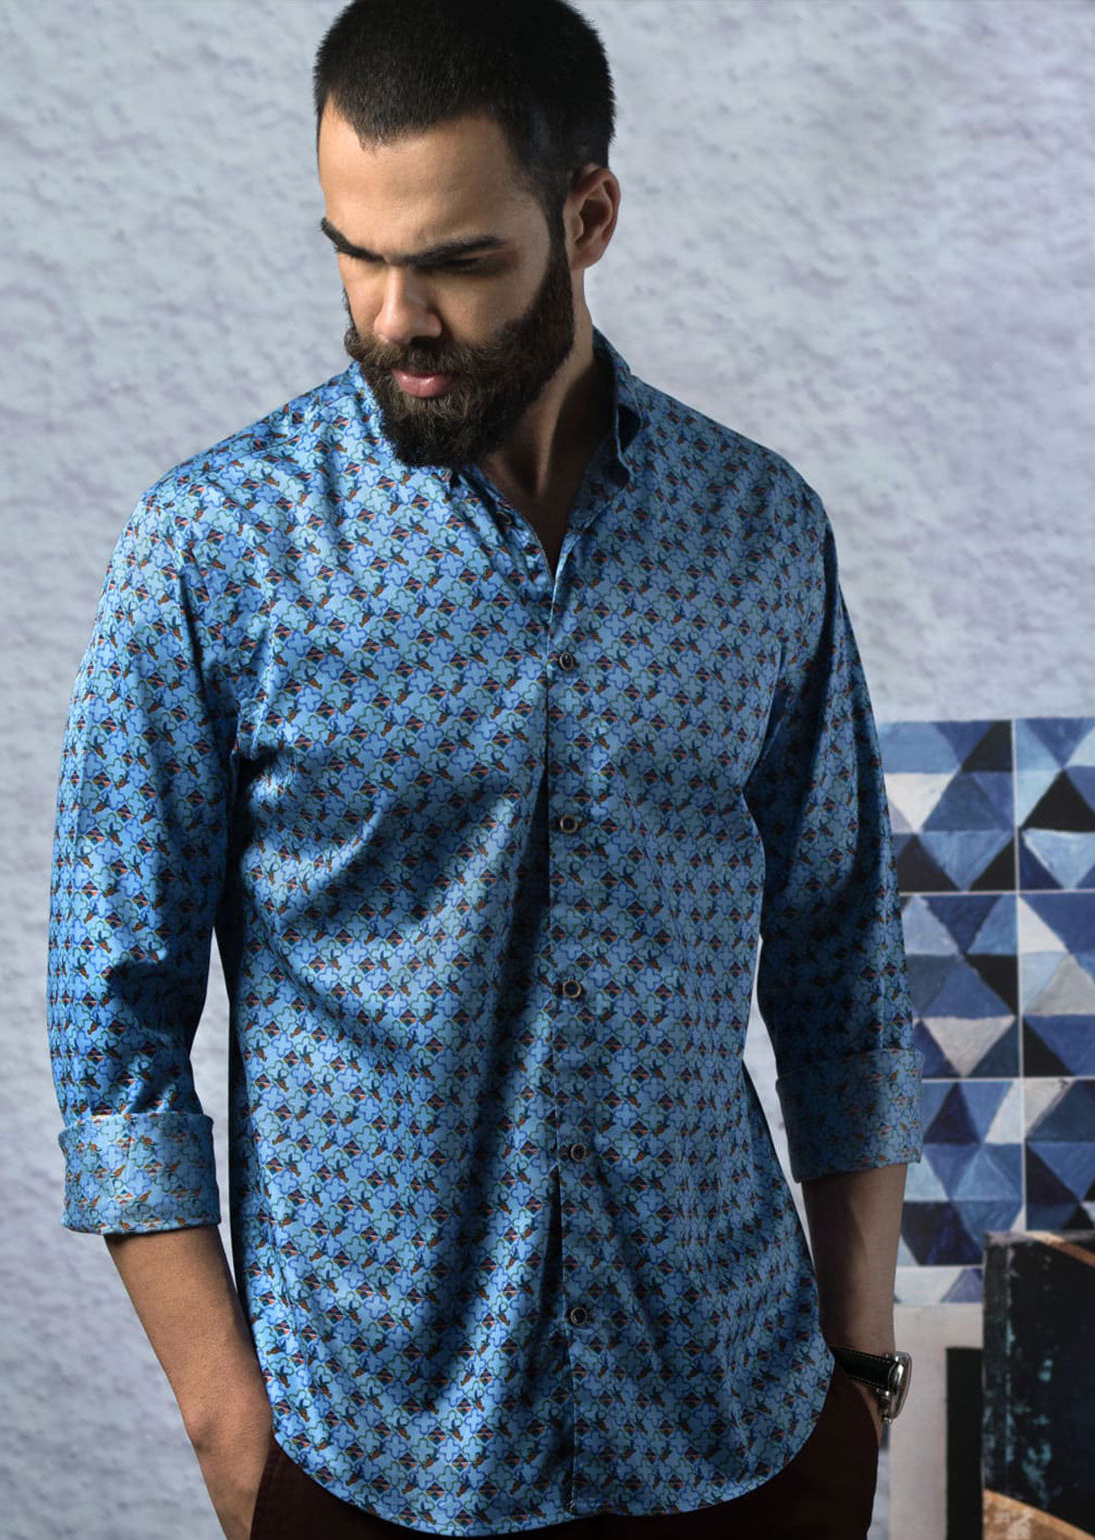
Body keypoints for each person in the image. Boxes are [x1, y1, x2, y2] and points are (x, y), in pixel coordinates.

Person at [46, 2, 924, 1537]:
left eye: (455, 261)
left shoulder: (759, 530)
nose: (395, 317)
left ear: (586, 218)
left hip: (742, 1430)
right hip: (367, 1460)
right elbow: (112, 1021)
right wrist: (231, 1435)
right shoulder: (218, 549)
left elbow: (842, 956)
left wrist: (859, 1373)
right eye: (357, 252)